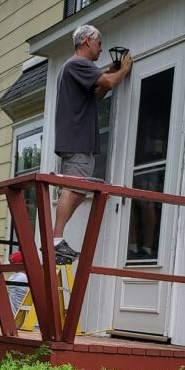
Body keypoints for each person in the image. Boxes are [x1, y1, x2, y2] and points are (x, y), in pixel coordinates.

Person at [51, 24, 132, 262]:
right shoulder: (77, 64)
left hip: (77, 139)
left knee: (78, 187)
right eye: (99, 44)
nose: (101, 49)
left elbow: (97, 91)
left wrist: (107, 72)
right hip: (77, 138)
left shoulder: (74, 68)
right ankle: (56, 240)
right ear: (87, 40)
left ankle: (57, 239)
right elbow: (106, 83)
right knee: (74, 185)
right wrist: (123, 70)